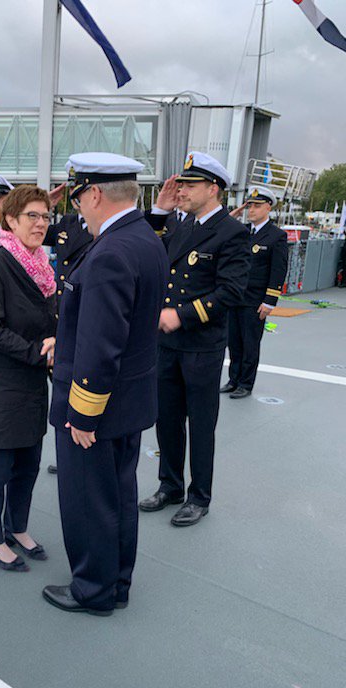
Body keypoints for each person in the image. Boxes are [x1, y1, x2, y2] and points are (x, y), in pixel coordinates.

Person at [43, 153, 167, 615]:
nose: (78, 210)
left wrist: (83, 413)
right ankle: (116, 583)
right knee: (119, 496)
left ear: (94, 194)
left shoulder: (111, 251)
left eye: (79, 199)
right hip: (130, 400)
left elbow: (101, 342)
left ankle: (92, 590)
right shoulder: (144, 239)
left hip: (97, 406)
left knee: (88, 500)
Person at [138, 152, 250, 526]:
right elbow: (147, 247)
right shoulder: (180, 225)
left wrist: (180, 315)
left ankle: (199, 496)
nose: (181, 190)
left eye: (189, 185)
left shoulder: (232, 233)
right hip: (166, 345)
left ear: (213, 188)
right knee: (167, 419)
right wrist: (159, 208)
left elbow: (231, 293)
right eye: (180, 184)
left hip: (201, 345)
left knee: (200, 424)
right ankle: (170, 485)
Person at [0, 185, 57, 571]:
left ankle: (16, 526)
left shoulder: (44, 269)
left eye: (46, 217)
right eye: (32, 216)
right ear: (12, 220)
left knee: (28, 463)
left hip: (31, 383)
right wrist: (40, 351)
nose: (40, 224)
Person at [43, 183, 94, 475]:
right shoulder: (66, 224)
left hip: (84, 318)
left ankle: (79, 457)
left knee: (82, 390)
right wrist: (45, 205)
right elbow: (29, 230)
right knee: (61, 392)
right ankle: (67, 456)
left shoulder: (105, 230)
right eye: (74, 195)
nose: (77, 200)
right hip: (61, 317)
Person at [221, 186, 288, 398]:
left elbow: (278, 270)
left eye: (257, 206)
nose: (251, 210)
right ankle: (233, 380)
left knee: (250, 344)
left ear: (268, 207)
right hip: (236, 298)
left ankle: (246, 384)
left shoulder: (276, 236)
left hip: (255, 301)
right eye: (249, 206)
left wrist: (270, 301)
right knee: (234, 343)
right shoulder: (242, 233)